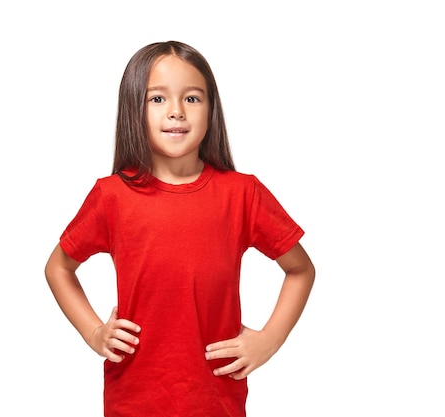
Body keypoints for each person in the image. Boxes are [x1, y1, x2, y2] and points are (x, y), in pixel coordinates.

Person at [44, 40, 315, 417]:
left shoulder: (242, 194)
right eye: (157, 99)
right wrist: (94, 332)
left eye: (192, 98)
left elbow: (300, 269)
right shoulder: (111, 196)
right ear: (133, 108)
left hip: (216, 401)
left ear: (211, 110)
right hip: (133, 401)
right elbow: (58, 267)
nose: (176, 112)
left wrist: (270, 339)